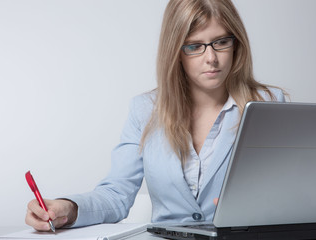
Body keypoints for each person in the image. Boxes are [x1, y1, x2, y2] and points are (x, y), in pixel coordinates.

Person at [26, 0, 286, 231]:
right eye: (195, 46)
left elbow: (290, 189)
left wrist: (259, 204)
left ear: (236, 43)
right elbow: (116, 194)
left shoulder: (269, 104)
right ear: (176, 52)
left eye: (221, 42)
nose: (211, 58)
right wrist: (67, 209)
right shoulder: (145, 110)